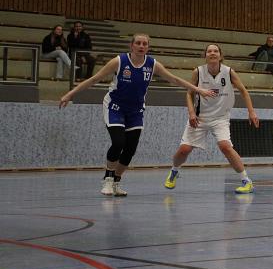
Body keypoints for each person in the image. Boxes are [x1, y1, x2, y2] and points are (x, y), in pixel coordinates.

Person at [59, 34, 213, 196]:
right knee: (118, 142)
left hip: (136, 110)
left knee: (130, 149)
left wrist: (198, 90)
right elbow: (94, 79)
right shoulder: (119, 61)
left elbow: (174, 79)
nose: (141, 46)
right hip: (115, 107)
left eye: (144, 44)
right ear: (131, 46)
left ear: (148, 47)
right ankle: (108, 179)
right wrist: (71, 94)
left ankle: (117, 182)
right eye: (138, 43)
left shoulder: (152, 64)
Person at [164, 44, 260, 193]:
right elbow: (189, 94)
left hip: (220, 118)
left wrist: (251, 112)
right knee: (184, 150)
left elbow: (243, 91)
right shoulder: (198, 72)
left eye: (216, 51)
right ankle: (174, 171)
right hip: (200, 117)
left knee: (225, 147)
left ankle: (246, 181)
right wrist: (191, 113)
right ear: (205, 55)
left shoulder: (229, 72)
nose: (212, 53)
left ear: (220, 55)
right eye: (209, 51)